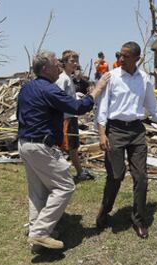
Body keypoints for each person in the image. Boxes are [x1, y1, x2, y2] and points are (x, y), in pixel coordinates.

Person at [17, 50, 109, 250]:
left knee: (37, 192)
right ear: (44, 69)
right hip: (41, 146)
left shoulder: (27, 88)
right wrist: (98, 88)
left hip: (25, 143)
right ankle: (40, 232)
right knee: (65, 186)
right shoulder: (49, 90)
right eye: (54, 62)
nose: (58, 64)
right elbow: (78, 107)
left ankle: (38, 236)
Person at [95, 41, 157, 239]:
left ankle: (139, 220)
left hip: (136, 131)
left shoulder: (144, 79)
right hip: (115, 129)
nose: (121, 59)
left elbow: (152, 106)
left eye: (125, 56)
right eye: (120, 55)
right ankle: (105, 211)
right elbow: (102, 107)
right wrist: (101, 133)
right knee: (115, 175)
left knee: (141, 177)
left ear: (137, 58)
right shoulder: (112, 77)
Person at [56, 50, 94, 182]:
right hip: (65, 117)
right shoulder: (63, 79)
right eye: (72, 61)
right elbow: (58, 98)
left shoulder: (69, 78)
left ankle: (79, 172)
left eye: (76, 61)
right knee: (66, 146)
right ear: (64, 62)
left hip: (71, 116)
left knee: (73, 146)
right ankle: (65, 173)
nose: (75, 64)